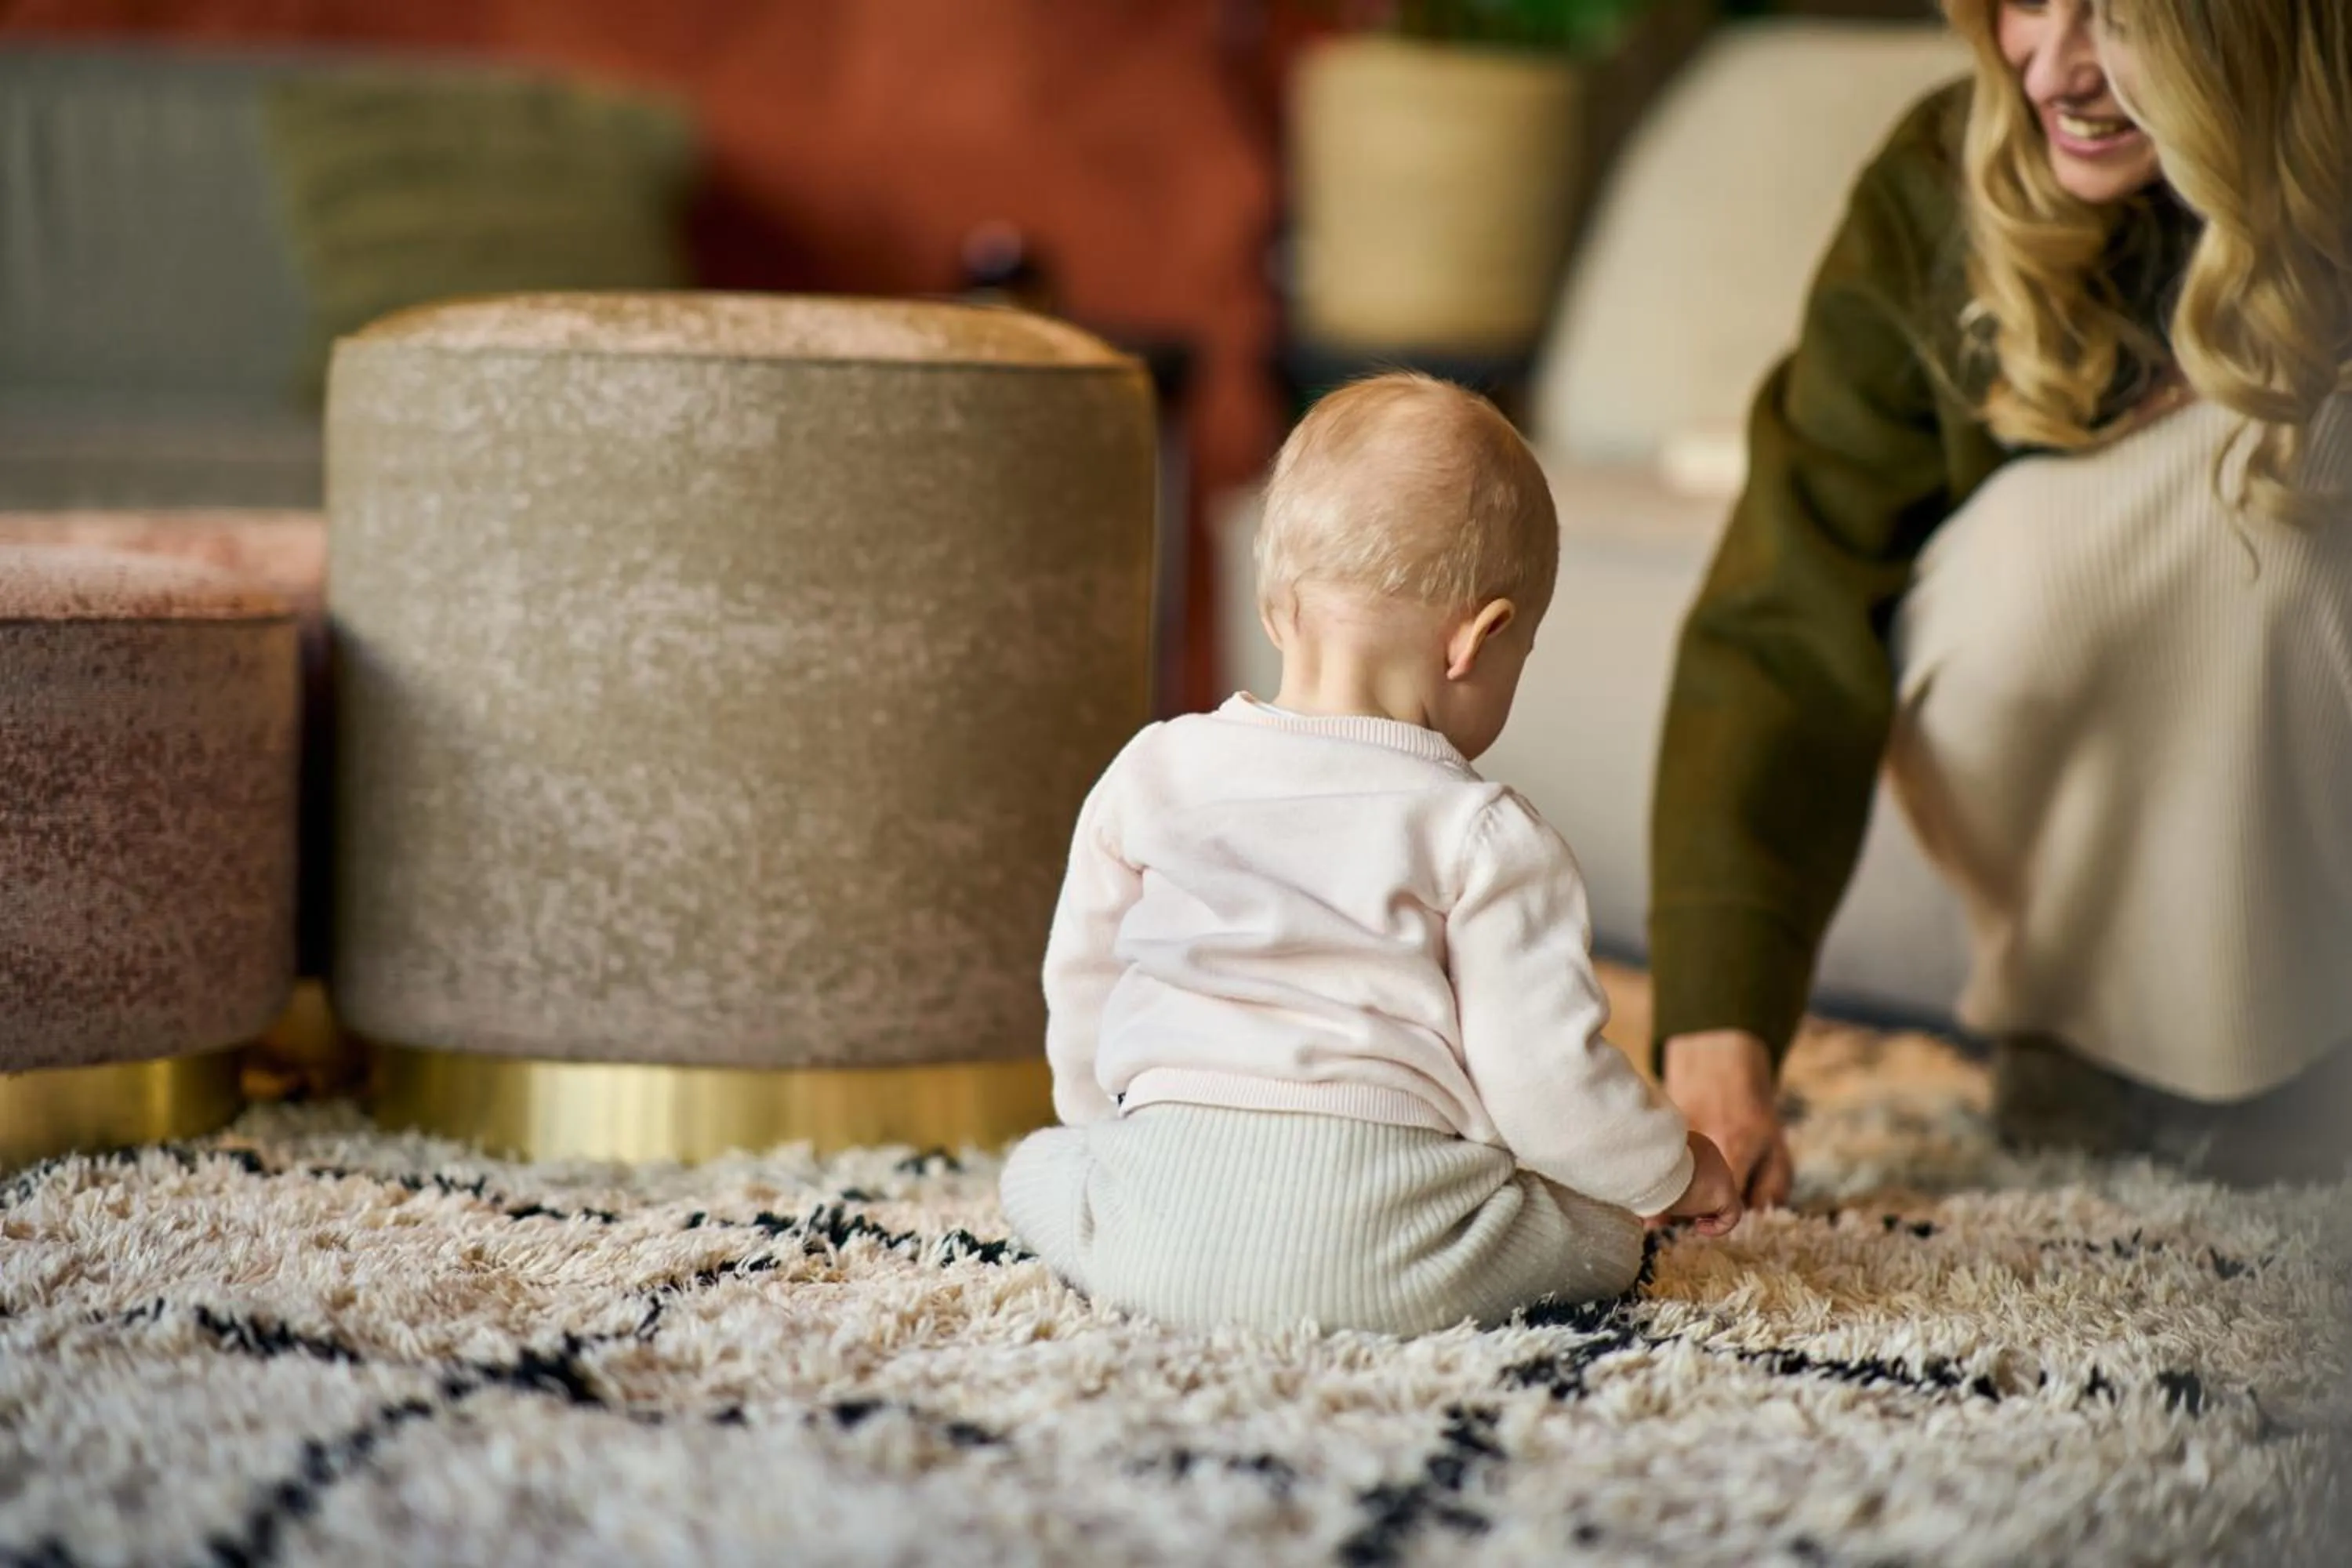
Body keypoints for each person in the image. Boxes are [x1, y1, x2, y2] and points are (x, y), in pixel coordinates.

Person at [1651, 0, 2352, 1203]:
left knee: (2282, 473)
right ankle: (2086, 1040)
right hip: (2034, 785)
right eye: (2025, 2)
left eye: (2123, 19)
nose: (2054, 67)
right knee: (2056, 540)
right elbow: (1785, 621)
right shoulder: (1935, 186)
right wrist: (1718, 1034)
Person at [1000, 373, 1741, 1336]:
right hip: (1390, 1252)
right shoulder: (1484, 835)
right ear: (1480, 640)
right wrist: (1672, 1168)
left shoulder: (1156, 770)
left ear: (1277, 609)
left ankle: (1131, 1211)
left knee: (1037, 1168)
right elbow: (1547, 1088)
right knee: (1596, 1225)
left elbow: (1086, 986)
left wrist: (1113, 1134)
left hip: (1153, 1237)